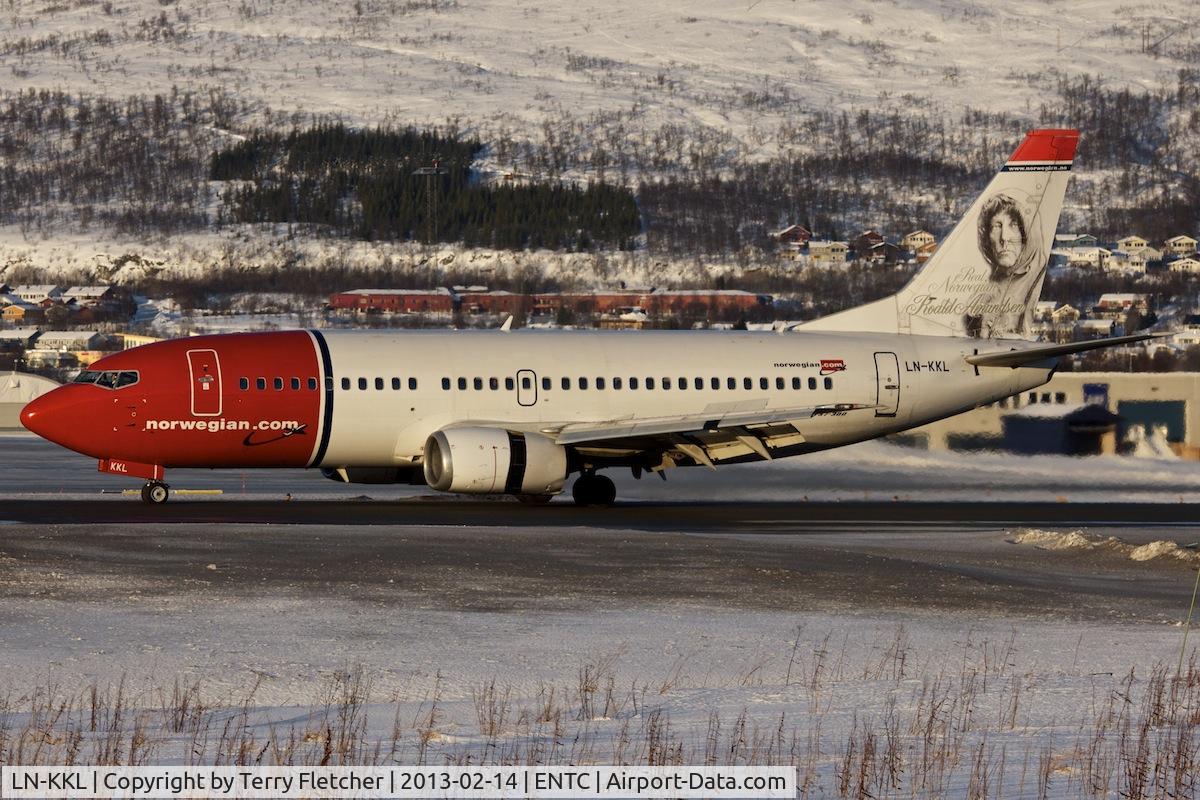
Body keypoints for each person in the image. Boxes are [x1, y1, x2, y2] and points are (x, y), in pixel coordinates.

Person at [964, 192, 1046, 338]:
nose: (1004, 238)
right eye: (996, 226)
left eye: (1013, 225)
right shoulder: (985, 290)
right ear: (986, 237)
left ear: (1026, 233)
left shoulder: (1036, 282)